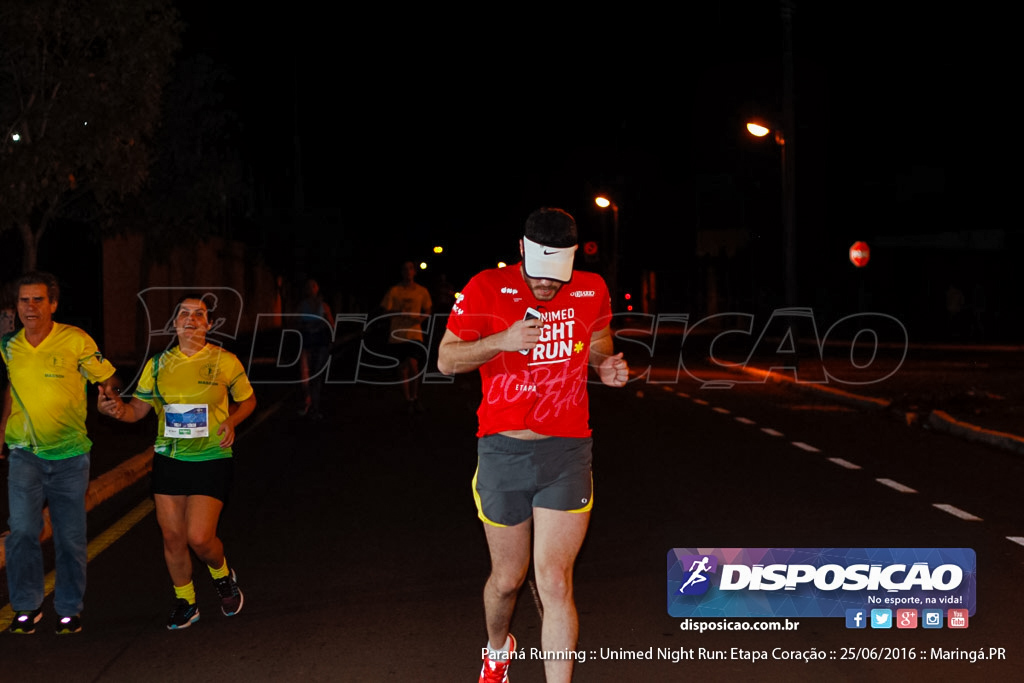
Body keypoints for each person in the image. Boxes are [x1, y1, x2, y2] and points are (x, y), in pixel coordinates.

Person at [437, 208, 629, 683]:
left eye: (556, 279)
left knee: (554, 580)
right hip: (502, 450)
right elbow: (445, 359)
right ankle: (498, 650)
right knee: (507, 582)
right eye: (539, 278)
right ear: (522, 250)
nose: (547, 288)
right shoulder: (485, 287)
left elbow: (600, 341)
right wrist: (502, 339)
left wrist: (605, 366)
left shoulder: (590, 289)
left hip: (566, 451)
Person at [97, 293, 256, 630]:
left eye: (198, 314)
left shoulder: (225, 361)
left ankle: (222, 574)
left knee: (199, 538)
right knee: (172, 537)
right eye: (183, 313)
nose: (190, 318)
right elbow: (136, 410)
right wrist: (115, 410)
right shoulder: (156, 366)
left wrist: (232, 421)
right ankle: (186, 601)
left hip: (212, 457)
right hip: (169, 459)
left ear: (209, 324)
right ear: (173, 324)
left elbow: (248, 400)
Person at [1, 271, 119, 635]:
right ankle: (26, 605)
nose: (31, 307)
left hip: (70, 456)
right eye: (24, 300)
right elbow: (12, 386)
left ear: (53, 304)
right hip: (24, 454)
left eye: (39, 300)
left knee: (70, 535)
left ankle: (68, 608)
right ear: (16, 306)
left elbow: (107, 378)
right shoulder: (9, 345)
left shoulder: (76, 340)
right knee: (21, 530)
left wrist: (109, 398)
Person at [380, 261, 432, 414]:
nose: (408, 271)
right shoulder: (394, 291)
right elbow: (384, 312)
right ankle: (408, 399)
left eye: (410, 269)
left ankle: (415, 396)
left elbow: (428, 309)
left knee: (413, 364)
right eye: (404, 269)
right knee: (403, 368)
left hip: (414, 333)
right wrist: (398, 312)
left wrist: (421, 318)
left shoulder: (421, 291)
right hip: (397, 334)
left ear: (414, 272)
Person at [296, 278, 333, 419]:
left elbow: (331, 324)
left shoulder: (324, 306)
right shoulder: (302, 306)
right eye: (308, 286)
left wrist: (323, 326)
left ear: (317, 288)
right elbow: (295, 323)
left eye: (314, 285)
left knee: (316, 376)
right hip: (307, 344)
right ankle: (307, 401)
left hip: (321, 343)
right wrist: (305, 326)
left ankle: (315, 407)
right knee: (305, 376)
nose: (311, 288)